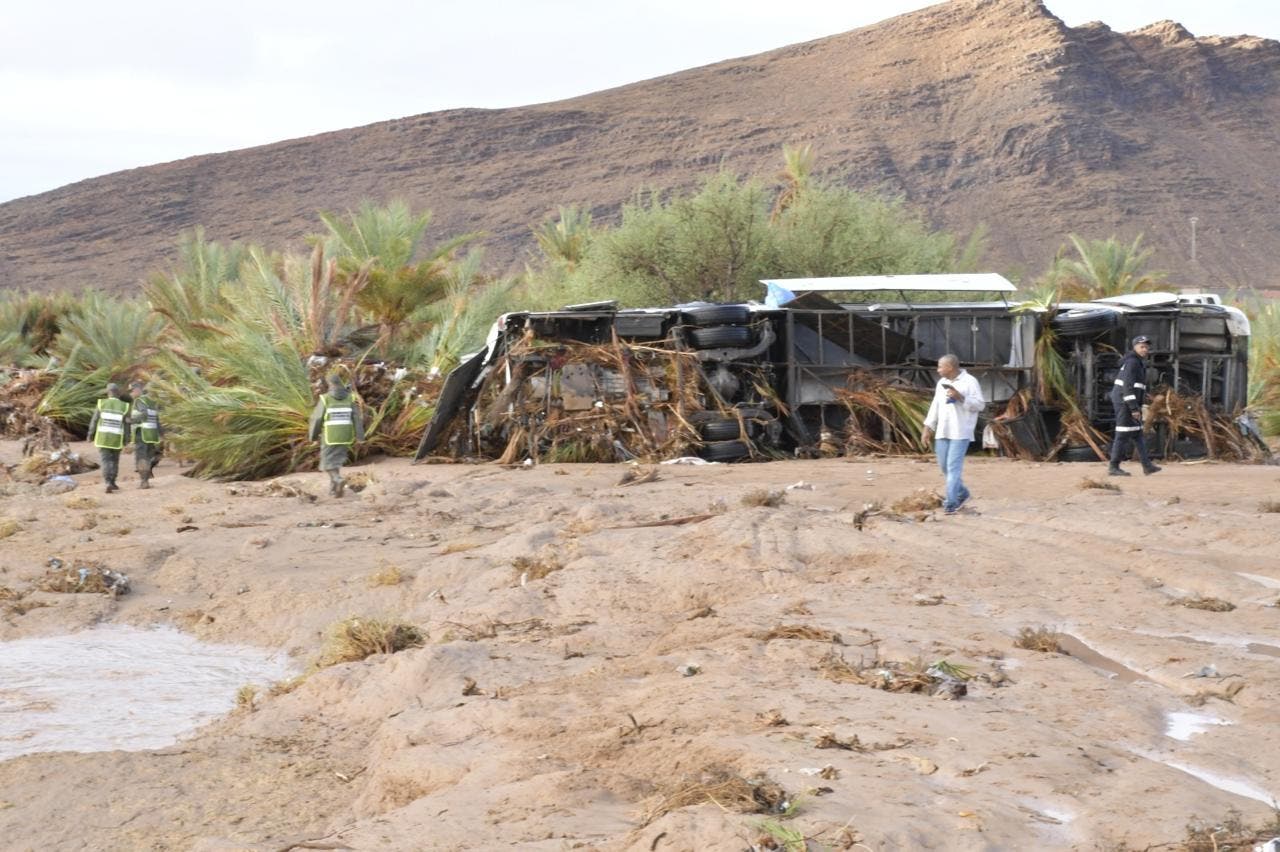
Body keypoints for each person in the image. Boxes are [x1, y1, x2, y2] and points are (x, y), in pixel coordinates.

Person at [921, 354, 985, 515]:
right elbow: (935, 406)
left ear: (950, 367)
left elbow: (980, 405)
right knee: (944, 467)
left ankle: (951, 503)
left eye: (940, 366)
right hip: (943, 429)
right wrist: (927, 428)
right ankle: (963, 493)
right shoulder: (942, 383)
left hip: (961, 431)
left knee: (953, 468)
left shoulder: (970, 381)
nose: (938, 369)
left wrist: (961, 397)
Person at [1108, 335, 1162, 477]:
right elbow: (1128, 387)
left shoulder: (1138, 362)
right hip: (1124, 402)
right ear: (1135, 347)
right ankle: (1113, 467)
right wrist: (1133, 408)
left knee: (1137, 434)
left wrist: (1140, 404)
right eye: (1142, 346)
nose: (1145, 349)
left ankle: (1147, 466)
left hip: (1129, 402)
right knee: (1122, 434)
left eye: (1146, 347)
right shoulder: (1132, 362)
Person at [308, 373, 364, 497]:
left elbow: (317, 418)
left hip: (330, 435)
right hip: (346, 435)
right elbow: (357, 418)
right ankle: (334, 491)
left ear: (330, 384)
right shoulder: (350, 398)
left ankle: (338, 479)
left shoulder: (325, 398)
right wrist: (360, 437)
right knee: (336, 461)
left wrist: (313, 436)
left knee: (327, 462)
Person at [87, 383, 130, 493]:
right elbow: (126, 425)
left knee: (105, 460)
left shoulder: (102, 404)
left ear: (108, 393)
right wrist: (127, 439)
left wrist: (90, 435)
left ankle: (107, 482)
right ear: (118, 393)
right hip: (117, 438)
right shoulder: (124, 406)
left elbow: (94, 420)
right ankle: (113, 482)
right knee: (115, 460)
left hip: (103, 438)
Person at [128, 379, 162, 488]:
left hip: (142, 434)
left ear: (138, 389)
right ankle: (147, 478)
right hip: (151, 434)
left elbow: (144, 414)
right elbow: (157, 419)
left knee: (141, 458)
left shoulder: (140, 401)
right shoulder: (152, 403)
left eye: (132, 391)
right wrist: (161, 433)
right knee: (148, 457)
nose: (131, 394)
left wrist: (131, 420)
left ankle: (144, 481)